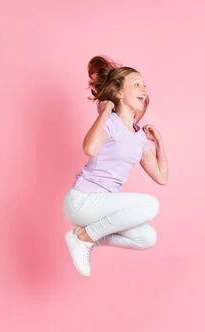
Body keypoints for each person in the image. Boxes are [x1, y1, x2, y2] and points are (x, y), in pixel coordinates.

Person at [62, 55, 169, 277]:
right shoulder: (110, 122)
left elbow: (161, 177)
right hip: (84, 200)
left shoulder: (139, 137)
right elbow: (90, 149)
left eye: (145, 86)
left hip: (103, 207)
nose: (144, 90)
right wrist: (103, 113)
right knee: (150, 205)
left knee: (147, 237)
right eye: (137, 84)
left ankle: (85, 237)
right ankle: (83, 238)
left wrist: (159, 144)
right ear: (120, 93)